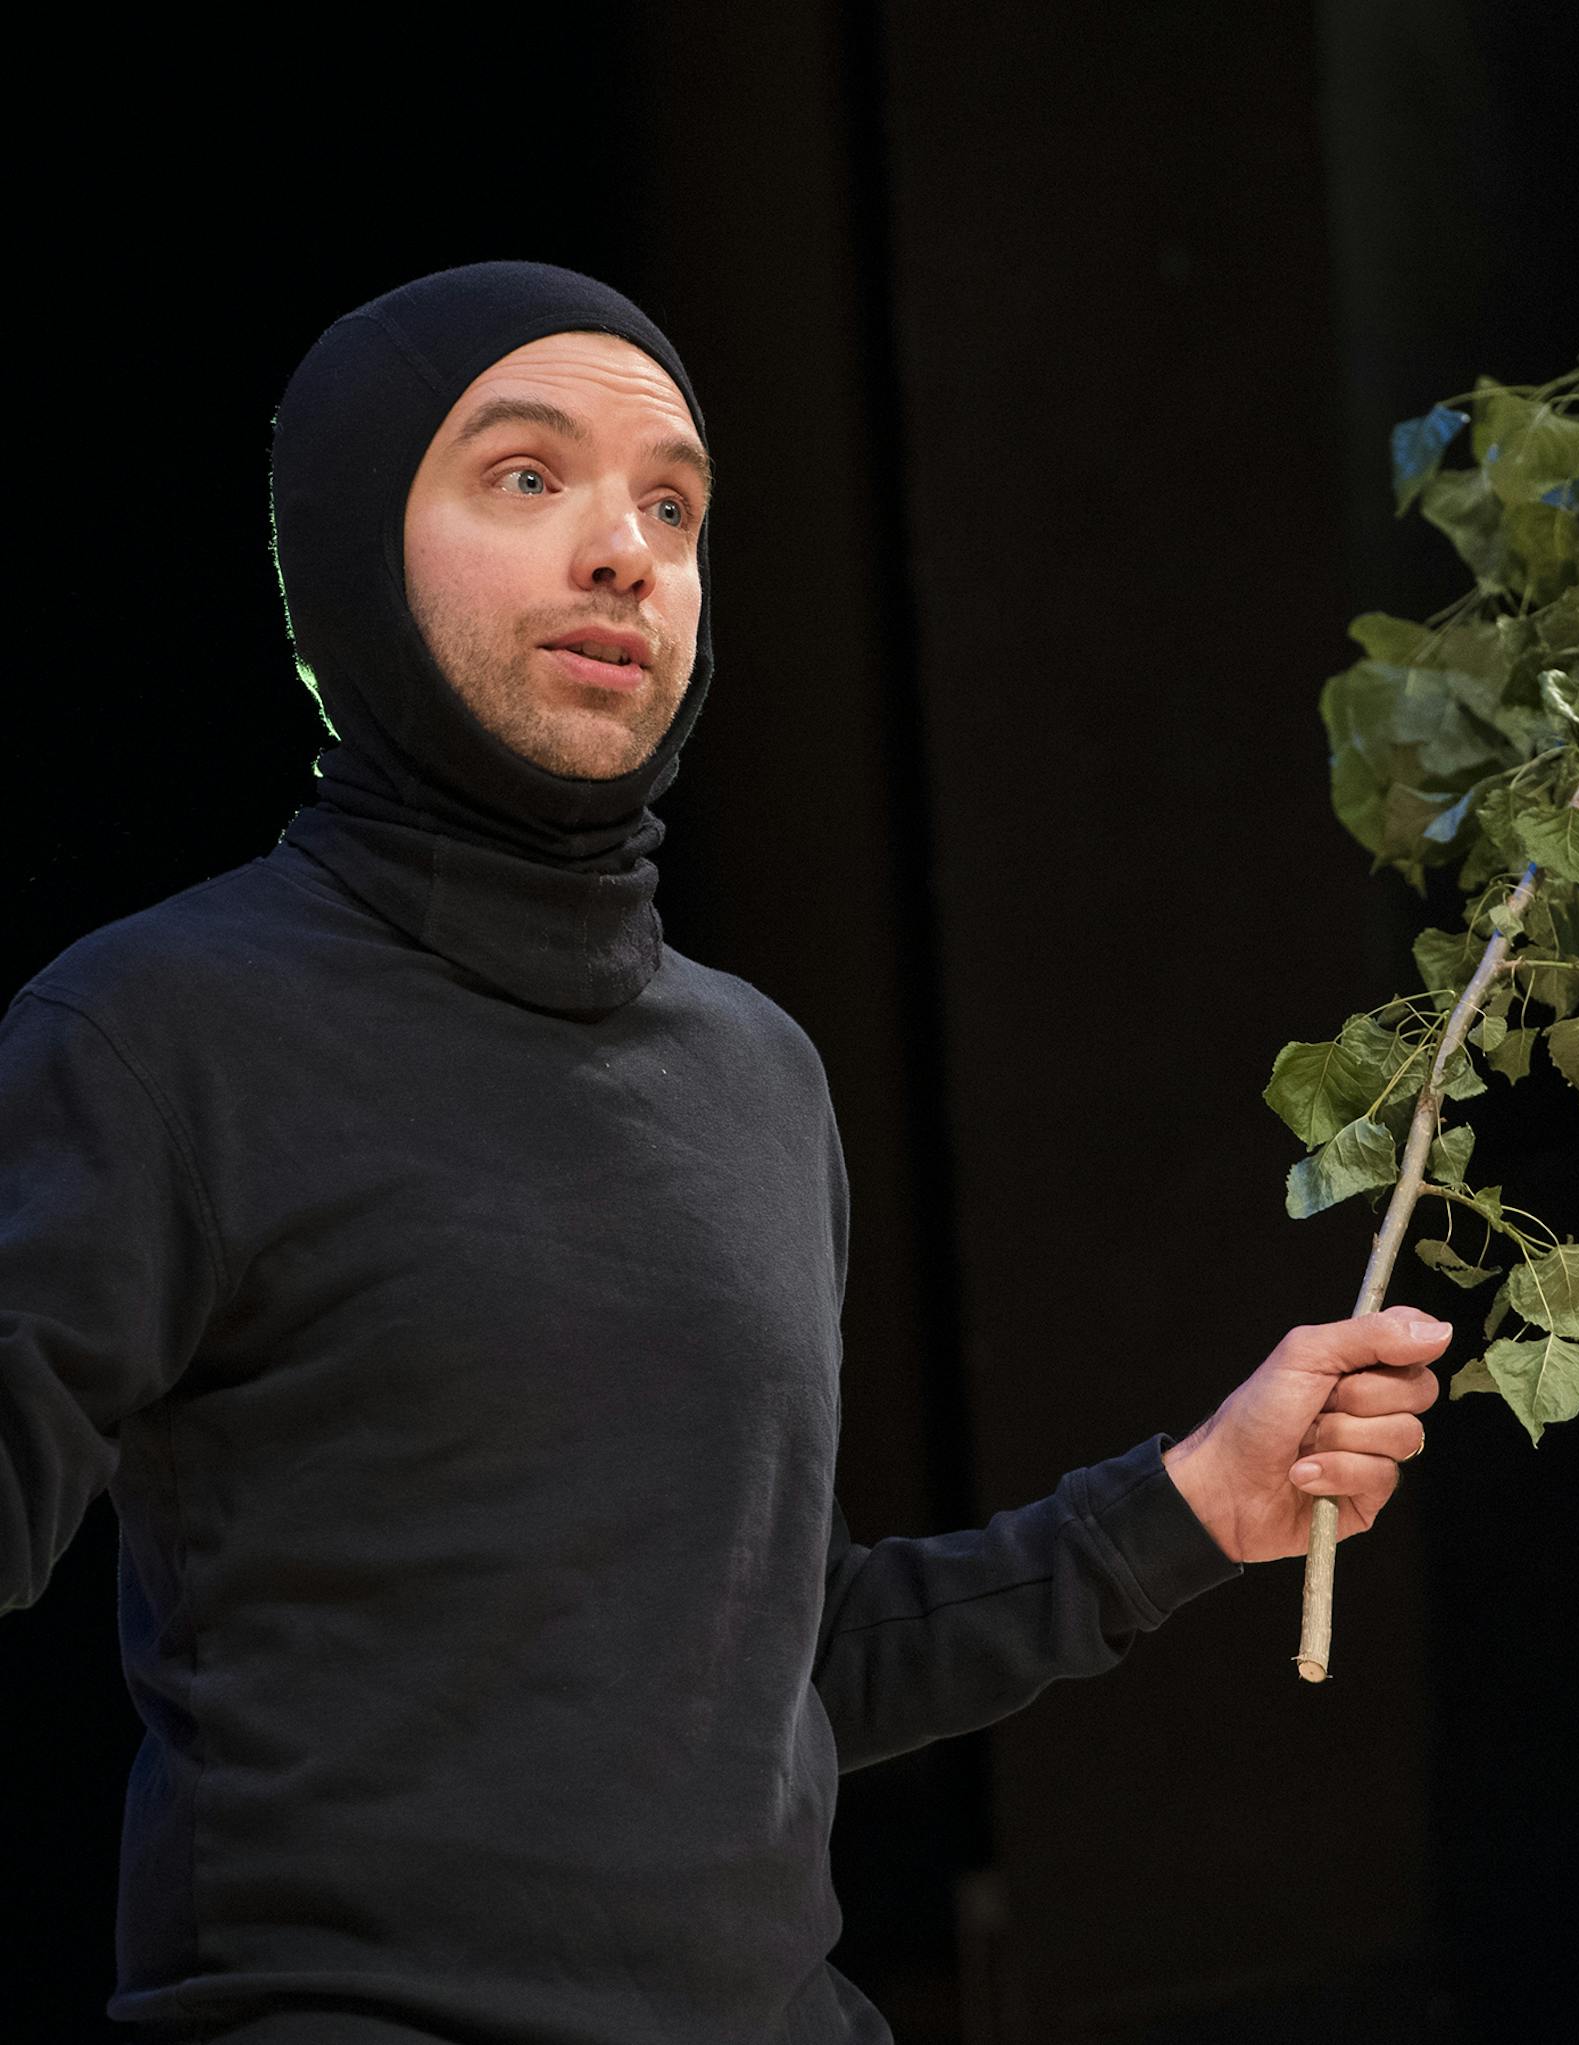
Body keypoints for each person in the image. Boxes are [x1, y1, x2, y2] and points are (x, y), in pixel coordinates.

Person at [0, 261, 1447, 2043]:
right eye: (525, 475)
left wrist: (1193, 1503)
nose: (624, 549)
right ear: (350, 546)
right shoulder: (157, 1033)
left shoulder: (753, 1074)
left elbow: (778, 1661)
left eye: (672, 505)